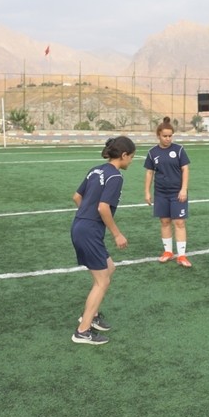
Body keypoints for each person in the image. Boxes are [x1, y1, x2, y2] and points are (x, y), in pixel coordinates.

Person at [70, 136, 136, 345]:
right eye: (132, 157)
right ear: (124, 155)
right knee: (102, 281)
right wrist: (117, 234)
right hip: (88, 231)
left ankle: (93, 315)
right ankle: (82, 330)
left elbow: (76, 197)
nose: (132, 161)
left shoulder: (95, 169)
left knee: (109, 269)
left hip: (80, 226)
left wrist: (85, 216)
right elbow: (103, 207)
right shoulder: (115, 176)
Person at [143, 117, 192, 268]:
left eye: (170, 136)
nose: (168, 138)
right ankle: (168, 252)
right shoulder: (152, 153)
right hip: (160, 193)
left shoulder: (179, 150)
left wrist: (183, 189)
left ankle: (182, 255)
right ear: (158, 135)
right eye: (165, 136)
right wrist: (147, 192)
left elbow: (185, 169)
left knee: (179, 222)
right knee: (164, 222)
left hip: (177, 193)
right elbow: (149, 173)